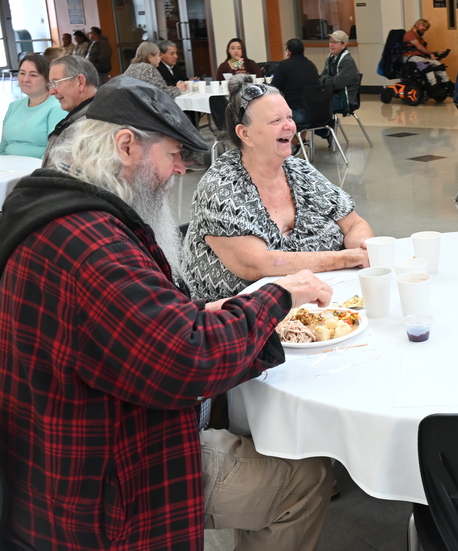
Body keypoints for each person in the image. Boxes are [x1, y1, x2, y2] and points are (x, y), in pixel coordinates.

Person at [0, 76, 336, 549]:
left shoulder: (51, 206)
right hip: (104, 484)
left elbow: (135, 321)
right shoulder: (89, 244)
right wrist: (277, 296)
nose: (180, 170)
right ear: (126, 146)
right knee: (306, 479)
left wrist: (202, 311)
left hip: (56, 452)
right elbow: (187, 360)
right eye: (174, 155)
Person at [181, 75, 373, 301]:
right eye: (275, 121)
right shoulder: (221, 186)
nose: (290, 126)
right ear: (245, 133)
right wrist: (347, 259)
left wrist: (363, 249)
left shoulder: (300, 171)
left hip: (326, 301)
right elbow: (256, 264)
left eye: (289, 117)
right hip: (241, 319)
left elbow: (354, 224)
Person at [0, 54, 66, 158]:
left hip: (37, 170)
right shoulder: (14, 106)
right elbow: (3, 146)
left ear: (47, 79)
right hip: (9, 170)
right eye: (22, 73)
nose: (25, 79)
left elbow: (54, 151)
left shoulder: (57, 107)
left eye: (33, 75)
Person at [43, 55, 100, 159]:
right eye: (50, 85)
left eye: (56, 83)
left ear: (80, 82)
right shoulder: (85, 114)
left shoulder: (89, 125)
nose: (51, 91)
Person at [271, 37, 320, 124]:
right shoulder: (311, 65)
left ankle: (293, 137)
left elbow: (274, 88)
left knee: (272, 115)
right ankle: (302, 138)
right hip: (316, 112)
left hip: (297, 114)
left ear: (289, 51)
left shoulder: (283, 66)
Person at [401, 18, 453, 97]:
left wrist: (436, 53)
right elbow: (419, 48)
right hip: (411, 57)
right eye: (423, 26)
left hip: (420, 57)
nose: (424, 29)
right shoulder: (410, 34)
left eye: (426, 28)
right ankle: (433, 87)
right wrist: (431, 54)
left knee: (438, 65)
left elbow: (424, 51)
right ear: (417, 25)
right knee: (427, 66)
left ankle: (446, 83)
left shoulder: (420, 39)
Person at [319, 29, 360, 116]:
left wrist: (327, 79)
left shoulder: (347, 61)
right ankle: (326, 127)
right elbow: (322, 78)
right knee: (311, 102)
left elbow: (338, 83)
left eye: (335, 42)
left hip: (344, 98)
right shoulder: (330, 59)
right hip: (332, 94)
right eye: (330, 41)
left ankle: (328, 128)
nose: (331, 45)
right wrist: (330, 79)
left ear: (343, 45)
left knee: (319, 106)